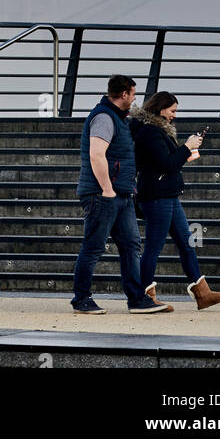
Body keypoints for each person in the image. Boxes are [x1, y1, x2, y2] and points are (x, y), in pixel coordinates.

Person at [71, 74, 169, 315]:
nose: (135, 100)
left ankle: (136, 299)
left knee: (131, 245)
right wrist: (106, 189)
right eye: (133, 94)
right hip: (102, 194)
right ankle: (82, 300)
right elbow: (96, 154)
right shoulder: (104, 117)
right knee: (93, 247)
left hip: (121, 194)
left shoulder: (119, 118)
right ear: (124, 93)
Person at [131, 91, 220, 310]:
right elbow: (167, 164)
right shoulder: (150, 131)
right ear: (160, 109)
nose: (174, 115)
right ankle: (144, 294)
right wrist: (187, 146)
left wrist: (186, 152)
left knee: (187, 243)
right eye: (172, 110)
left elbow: (168, 163)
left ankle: (202, 293)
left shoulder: (156, 131)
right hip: (157, 197)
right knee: (154, 247)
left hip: (167, 195)